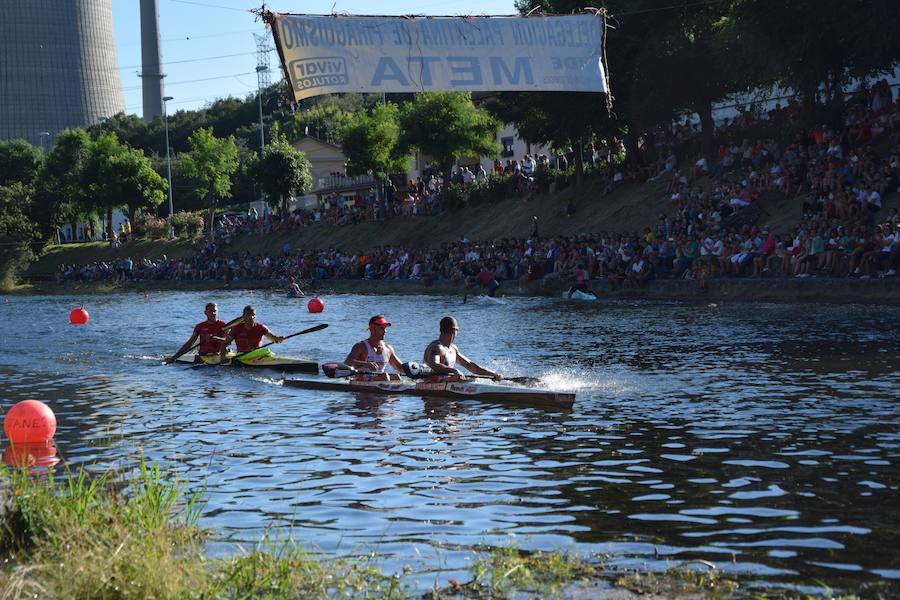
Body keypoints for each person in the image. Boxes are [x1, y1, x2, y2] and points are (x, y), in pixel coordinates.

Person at [423, 316, 502, 381]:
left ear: (440, 330)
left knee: (470, 380)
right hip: (430, 383)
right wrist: (454, 371)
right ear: (455, 331)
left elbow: (471, 366)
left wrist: (492, 374)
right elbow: (434, 365)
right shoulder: (436, 347)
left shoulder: (453, 349)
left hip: (446, 381)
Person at [344, 315, 405, 379]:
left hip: (379, 381)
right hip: (360, 382)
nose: (385, 331)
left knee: (396, 377)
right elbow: (346, 364)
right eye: (382, 328)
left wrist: (414, 370)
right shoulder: (360, 346)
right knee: (385, 377)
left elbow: (401, 368)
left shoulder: (388, 349)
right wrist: (365, 364)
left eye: (385, 328)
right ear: (373, 329)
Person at [218, 305, 284, 363]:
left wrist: (279, 339)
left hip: (257, 355)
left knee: (266, 351)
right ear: (243, 316)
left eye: (253, 315)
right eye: (249, 314)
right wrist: (222, 358)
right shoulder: (236, 328)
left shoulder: (261, 327)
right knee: (267, 351)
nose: (252, 317)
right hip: (242, 356)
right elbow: (225, 344)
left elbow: (274, 339)